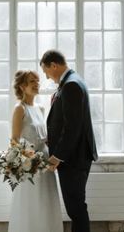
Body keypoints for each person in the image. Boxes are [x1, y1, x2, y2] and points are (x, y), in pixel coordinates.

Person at [40, 50, 98, 232]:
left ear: (54, 66)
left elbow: (73, 127)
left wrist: (57, 156)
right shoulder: (72, 81)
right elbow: (66, 121)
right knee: (76, 206)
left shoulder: (71, 85)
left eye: (46, 71)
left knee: (76, 208)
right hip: (75, 156)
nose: (46, 77)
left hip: (73, 159)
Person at [8, 70, 63, 232]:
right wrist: (29, 162)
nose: (37, 84)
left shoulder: (40, 108)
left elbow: (45, 138)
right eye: (32, 81)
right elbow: (14, 141)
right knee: (31, 205)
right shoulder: (20, 109)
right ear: (22, 86)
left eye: (38, 81)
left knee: (46, 203)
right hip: (29, 165)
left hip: (46, 163)